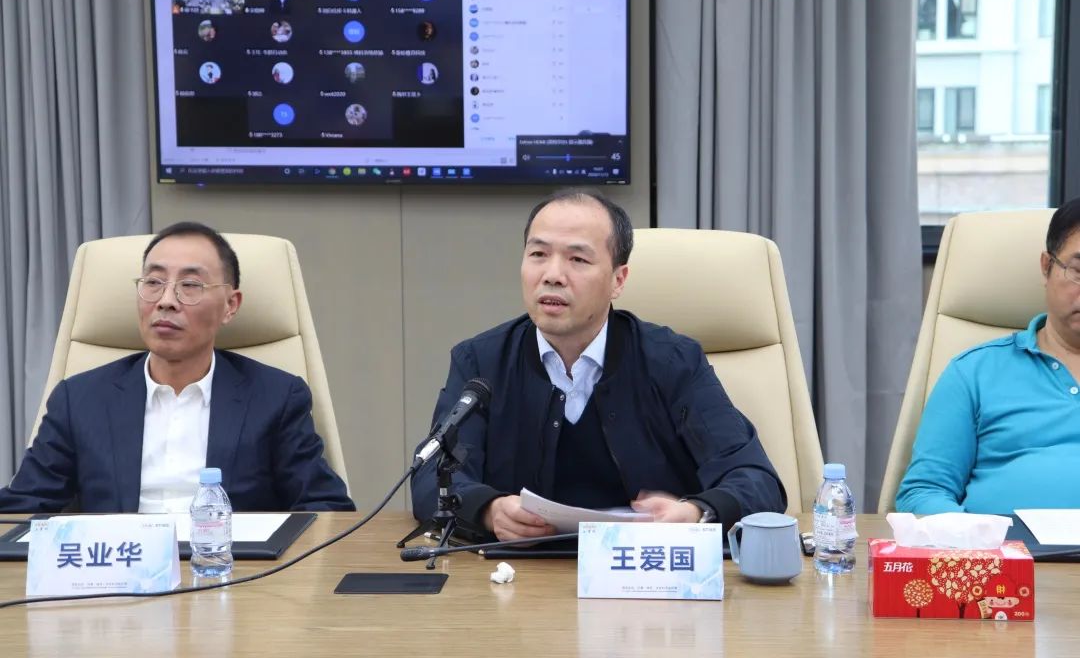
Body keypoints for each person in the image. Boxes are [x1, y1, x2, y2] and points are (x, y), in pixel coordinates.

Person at [410, 189, 786, 541]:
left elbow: (756, 480)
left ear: (618, 280)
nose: (552, 275)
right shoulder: (481, 362)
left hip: (645, 573)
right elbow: (430, 477)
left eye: (577, 259)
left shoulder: (673, 362)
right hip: (518, 573)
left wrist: (696, 513)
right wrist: (488, 510)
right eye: (538, 254)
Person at [0, 222, 354, 513]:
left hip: (237, 572)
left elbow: (325, 508)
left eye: (190, 285)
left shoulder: (276, 397)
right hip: (118, 573)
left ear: (231, 306)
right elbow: (23, 506)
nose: (166, 301)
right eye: (153, 283)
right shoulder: (79, 399)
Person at [897, 198, 1080, 514]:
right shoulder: (974, 373)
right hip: (1005, 546)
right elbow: (924, 492)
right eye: (1079, 270)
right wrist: (978, 538)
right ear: (1046, 266)